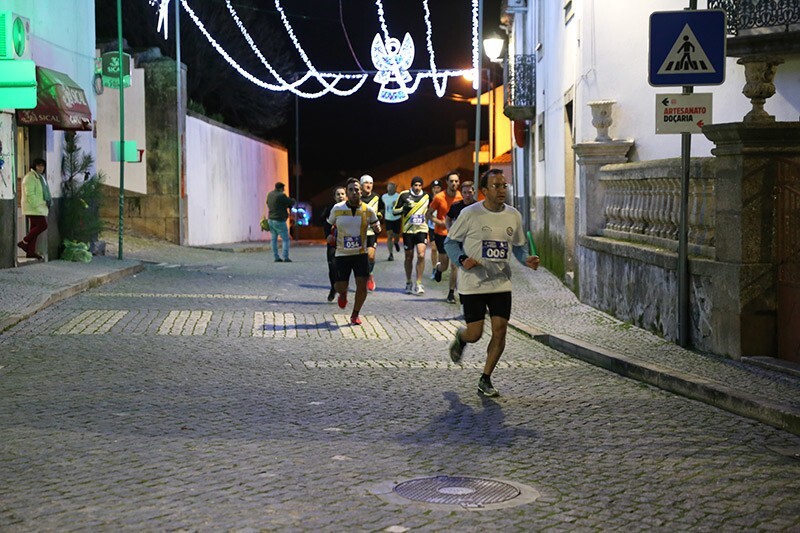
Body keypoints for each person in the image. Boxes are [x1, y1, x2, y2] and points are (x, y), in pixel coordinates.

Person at [444, 169, 541, 397]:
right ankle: (461, 337)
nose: (501, 190)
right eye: (496, 186)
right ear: (484, 191)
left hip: (501, 283)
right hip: (473, 283)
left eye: (504, 185)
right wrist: (462, 259)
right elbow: (450, 243)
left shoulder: (513, 215)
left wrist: (526, 259)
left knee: (500, 330)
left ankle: (485, 378)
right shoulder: (470, 214)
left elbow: (518, 247)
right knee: (475, 334)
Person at [327, 177, 381, 325]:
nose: (354, 192)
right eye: (350, 190)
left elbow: (376, 225)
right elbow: (328, 224)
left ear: (361, 191)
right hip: (342, 254)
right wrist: (329, 236)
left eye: (356, 189)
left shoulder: (367, 210)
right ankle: (342, 294)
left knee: (362, 286)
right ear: (347, 192)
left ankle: (355, 314)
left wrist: (377, 228)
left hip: (360, 254)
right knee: (340, 286)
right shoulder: (337, 209)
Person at [427, 171, 462, 303]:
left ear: (458, 183)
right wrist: (439, 222)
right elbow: (428, 214)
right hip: (441, 234)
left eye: (456, 181)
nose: (454, 183)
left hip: (456, 235)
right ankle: (438, 269)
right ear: (447, 182)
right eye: (451, 181)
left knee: (454, 265)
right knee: (445, 265)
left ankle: (451, 293)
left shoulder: (461, 197)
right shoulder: (439, 197)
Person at [393, 176, 430, 295]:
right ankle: (409, 282)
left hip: (421, 229)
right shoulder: (404, 195)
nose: (417, 187)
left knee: (421, 255)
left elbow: (431, 211)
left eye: (420, 185)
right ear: (412, 185)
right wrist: (403, 209)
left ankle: (419, 283)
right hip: (408, 231)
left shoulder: (427, 196)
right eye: (415, 185)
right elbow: (394, 211)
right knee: (409, 257)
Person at [18, 158, 50, 260]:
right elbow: (30, 193)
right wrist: (36, 204)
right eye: (38, 165)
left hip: (38, 207)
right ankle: (24, 242)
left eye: (42, 166)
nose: (41, 168)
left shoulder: (40, 177)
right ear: (34, 166)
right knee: (43, 225)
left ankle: (30, 252)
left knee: (34, 229)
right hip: (33, 207)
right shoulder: (30, 177)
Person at [360, 174, 385, 292]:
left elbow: (382, 209)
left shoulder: (377, 197)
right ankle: (361, 278)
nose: (369, 185)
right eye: (366, 183)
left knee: (370, 256)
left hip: (372, 231)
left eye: (370, 183)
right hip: (358, 232)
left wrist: (380, 215)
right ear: (361, 185)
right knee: (360, 258)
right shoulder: (357, 198)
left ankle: (370, 274)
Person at [321, 186, 346, 302]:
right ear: (334, 197)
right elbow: (324, 223)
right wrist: (327, 235)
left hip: (347, 242)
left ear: (346, 196)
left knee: (344, 268)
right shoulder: (330, 209)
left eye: (342, 194)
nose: (340, 196)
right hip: (333, 242)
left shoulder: (351, 208)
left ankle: (342, 290)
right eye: (338, 194)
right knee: (332, 266)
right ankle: (333, 288)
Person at [266, 182, 295, 262]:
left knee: (273, 240)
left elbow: (268, 203)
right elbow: (290, 202)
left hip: (271, 219)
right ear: (281, 188)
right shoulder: (281, 196)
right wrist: (292, 200)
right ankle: (285, 257)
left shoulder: (270, 194)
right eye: (283, 188)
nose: (284, 190)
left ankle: (276, 257)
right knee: (285, 239)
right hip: (279, 220)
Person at [381, 182, 401, 261]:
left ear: (394, 188)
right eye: (388, 188)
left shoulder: (398, 196)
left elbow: (402, 206)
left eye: (391, 188)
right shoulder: (384, 197)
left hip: (397, 218)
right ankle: (390, 254)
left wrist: (396, 204)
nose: (389, 189)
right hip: (388, 219)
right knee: (389, 236)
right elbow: (382, 207)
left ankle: (396, 242)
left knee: (396, 236)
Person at [427, 179, 443, 279]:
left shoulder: (443, 198)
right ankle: (434, 268)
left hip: (442, 227)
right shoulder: (428, 199)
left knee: (441, 250)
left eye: (438, 188)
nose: (436, 190)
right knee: (433, 249)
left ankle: (439, 268)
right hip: (432, 227)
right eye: (434, 188)